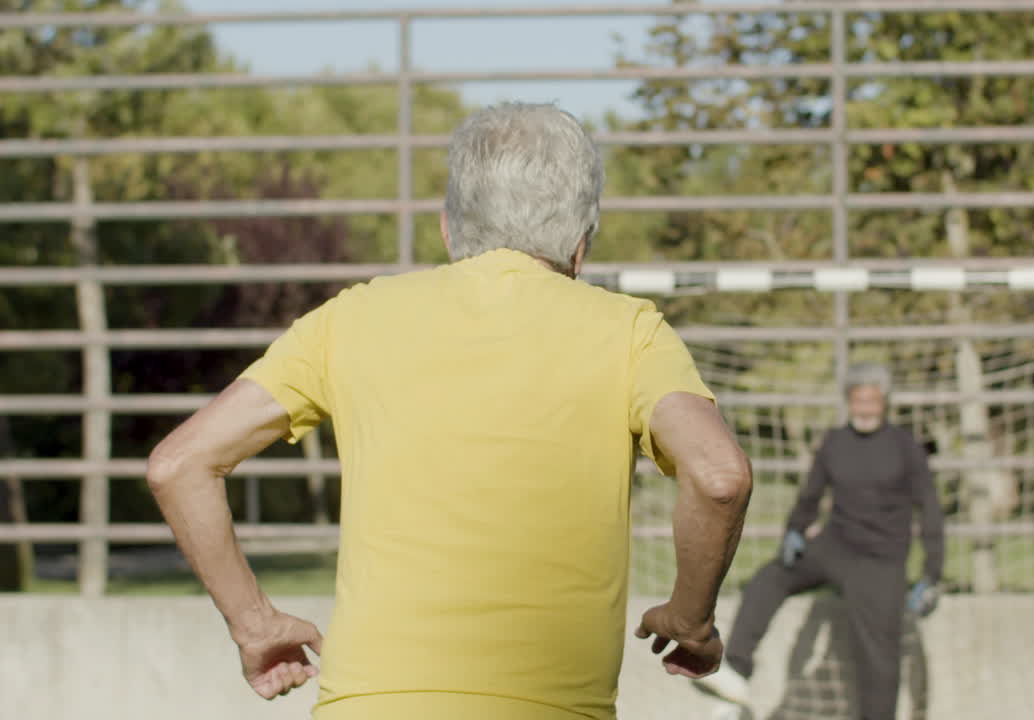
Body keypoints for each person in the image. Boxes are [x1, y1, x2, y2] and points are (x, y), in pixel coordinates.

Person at [146, 102, 753, 720]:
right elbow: (719, 477)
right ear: (580, 245)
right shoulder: (631, 332)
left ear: (447, 227)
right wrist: (691, 617)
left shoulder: (350, 319)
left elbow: (179, 465)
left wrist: (253, 624)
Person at [694, 362, 943, 720]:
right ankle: (735, 671)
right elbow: (810, 497)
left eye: (872, 400)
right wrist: (794, 531)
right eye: (858, 400)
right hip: (835, 545)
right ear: (848, 401)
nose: (865, 408)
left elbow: (931, 511)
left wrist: (932, 573)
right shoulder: (835, 443)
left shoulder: (905, 448)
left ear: (885, 402)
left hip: (881, 561)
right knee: (770, 577)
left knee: (880, 658)